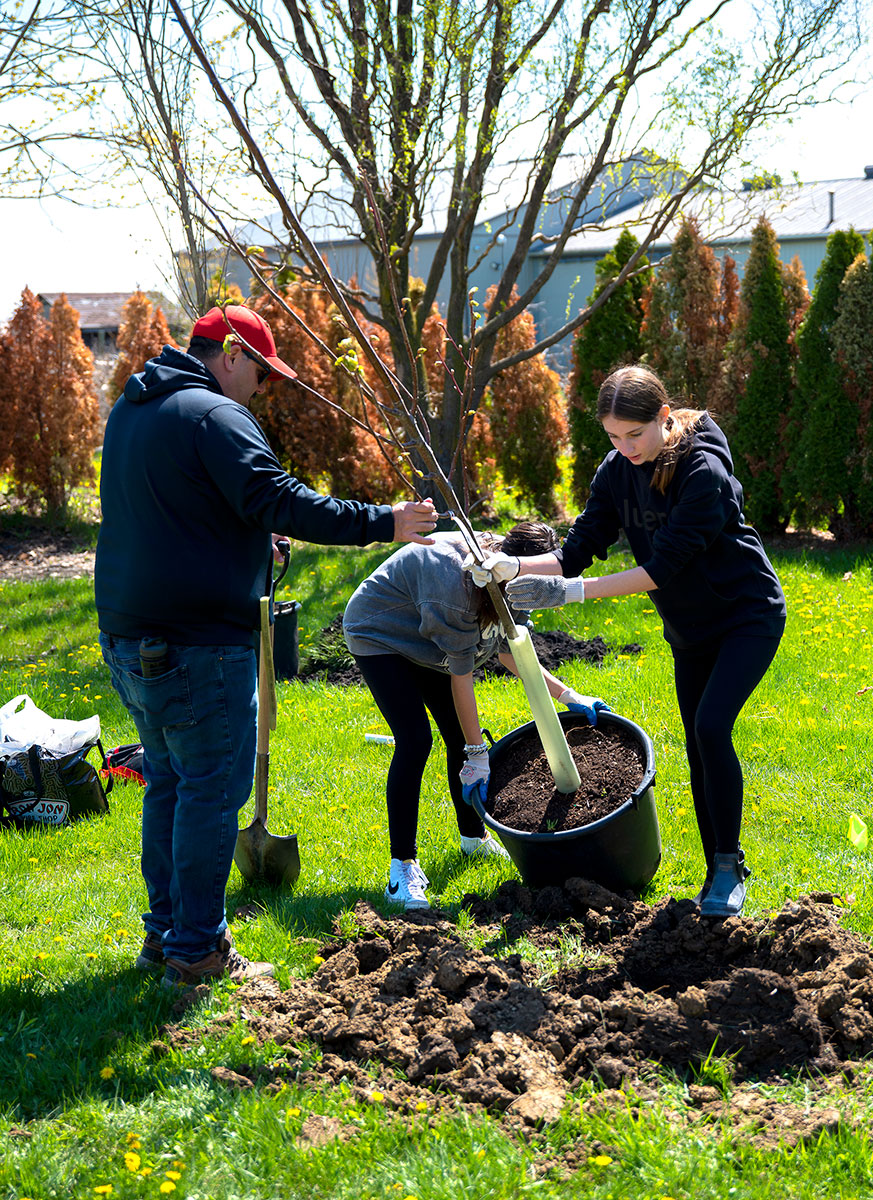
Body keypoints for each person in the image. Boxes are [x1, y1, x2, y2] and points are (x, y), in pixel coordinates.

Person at [95, 303, 438, 986]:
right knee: (210, 794)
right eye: (261, 373)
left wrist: (245, 534)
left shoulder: (137, 408)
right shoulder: (215, 416)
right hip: (197, 647)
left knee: (168, 782)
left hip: (131, 638)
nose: (263, 388)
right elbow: (279, 497)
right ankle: (198, 953)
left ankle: (165, 936)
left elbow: (183, 507)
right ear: (230, 354)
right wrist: (385, 521)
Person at [488, 365, 786, 918]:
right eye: (613, 437)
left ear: (664, 417)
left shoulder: (703, 469)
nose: (625, 448)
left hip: (747, 615)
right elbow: (578, 548)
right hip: (690, 631)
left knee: (711, 726)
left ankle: (726, 865)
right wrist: (512, 565)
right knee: (700, 745)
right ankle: (718, 866)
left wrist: (572, 594)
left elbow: (661, 567)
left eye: (635, 434)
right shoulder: (617, 470)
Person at [343, 522, 608, 910]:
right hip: (380, 633)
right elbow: (461, 676)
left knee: (456, 737)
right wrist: (477, 751)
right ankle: (402, 868)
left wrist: (569, 694)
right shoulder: (457, 590)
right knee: (416, 741)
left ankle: (473, 838)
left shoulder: (507, 577)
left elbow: (509, 647)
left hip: (424, 637)